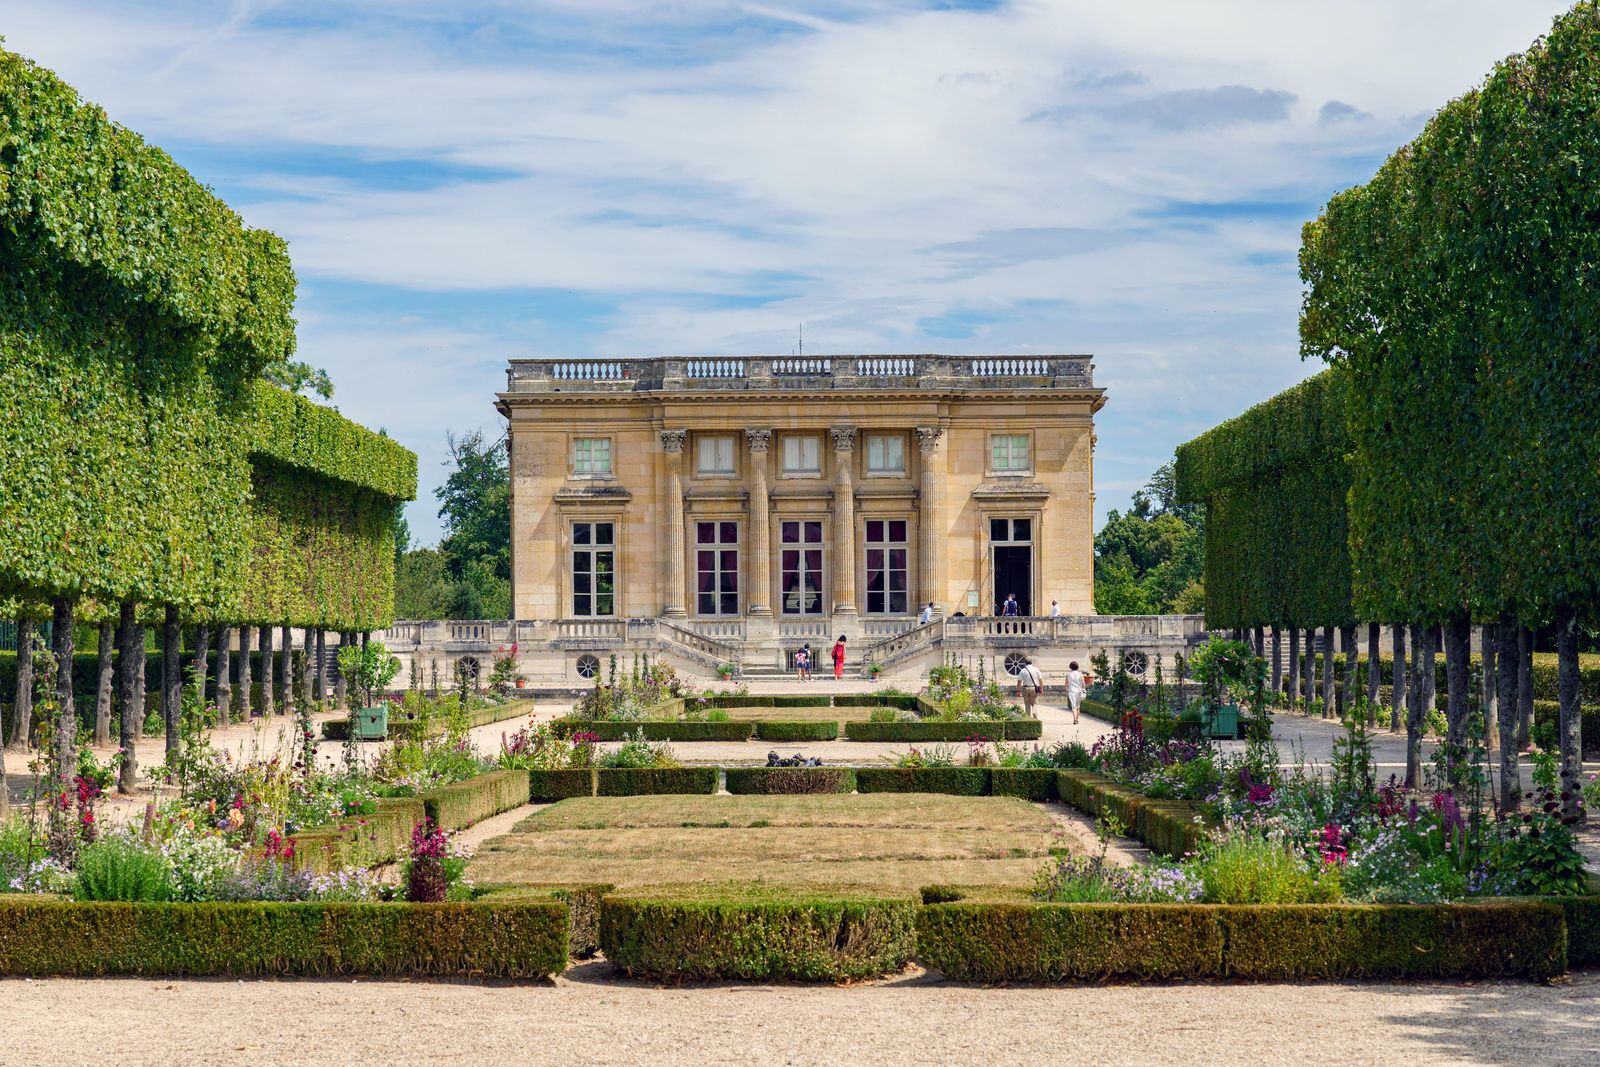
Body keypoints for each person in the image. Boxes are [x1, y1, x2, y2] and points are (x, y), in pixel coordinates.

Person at [1065, 660, 1087, 725]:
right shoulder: (1080, 674)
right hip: (1079, 691)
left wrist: (1067, 690)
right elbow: (1083, 684)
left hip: (1072, 691)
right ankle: (1077, 719)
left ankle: (1074, 719)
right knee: (1078, 706)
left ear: (1070, 667)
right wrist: (1084, 690)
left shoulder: (1068, 675)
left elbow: (1066, 685)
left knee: (1073, 706)